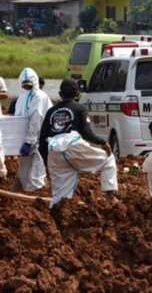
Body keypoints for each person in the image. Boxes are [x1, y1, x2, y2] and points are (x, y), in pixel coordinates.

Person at [39, 79, 116, 207]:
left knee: (59, 196)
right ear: (77, 94)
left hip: (54, 152)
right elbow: (86, 132)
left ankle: (57, 215)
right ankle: (110, 198)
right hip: (73, 146)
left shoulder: (51, 111)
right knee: (108, 159)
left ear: (60, 94)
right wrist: (102, 142)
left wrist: (46, 161)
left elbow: (42, 140)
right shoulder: (80, 108)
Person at [12, 68, 52, 192]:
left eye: (29, 85)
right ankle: (24, 203)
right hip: (26, 141)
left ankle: (37, 200)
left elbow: (36, 119)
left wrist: (30, 140)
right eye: (24, 85)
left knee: (36, 175)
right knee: (24, 173)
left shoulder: (39, 97)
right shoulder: (22, 97)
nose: (27, 87)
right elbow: (18, 118)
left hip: (39, 141)